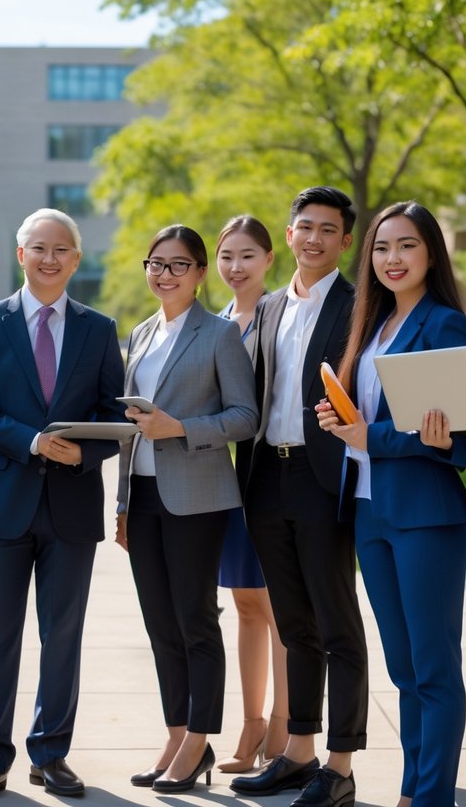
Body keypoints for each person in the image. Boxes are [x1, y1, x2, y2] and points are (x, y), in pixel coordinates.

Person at [0, 208, 125, 803]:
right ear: (20, 254)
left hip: (72, 504)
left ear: (76, 260)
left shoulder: (100, 329)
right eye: (38, 248)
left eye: (61, 250)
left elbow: (113, 416)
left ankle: (51, 753)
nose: (49, 259)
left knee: (63, 635)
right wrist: (30, 441)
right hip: (3, 501)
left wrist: (83, 455)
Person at [317, 201, 466, 807]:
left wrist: (373, 437)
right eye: (382, 248)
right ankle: (414, 791)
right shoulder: (373, 323)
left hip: (426, 515)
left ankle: (432, 796)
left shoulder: (443, 325)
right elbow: (372, 419)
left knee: (434, 669)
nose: (392, 258)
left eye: (406, 246)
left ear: (431, 253)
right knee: (404, 670)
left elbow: (465, 439)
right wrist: (342, 420)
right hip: (369, 510)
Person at [231, 186, 369, 807]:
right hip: (266, 478)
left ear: (345, 242)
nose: (313, 238)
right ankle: (298, 753)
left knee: (336, 623)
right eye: (304, 226)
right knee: (293, 625)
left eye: (327, 230)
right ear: (288, 235)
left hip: (323, 478)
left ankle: (339, 765)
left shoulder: (361, 305)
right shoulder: (267, 308)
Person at [115, 224, 258, 792]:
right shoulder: (142, 333)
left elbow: (245, 417)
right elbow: (130, 428)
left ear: (200, 274)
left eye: (178, 265)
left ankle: (199, 740)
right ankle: (176, 734)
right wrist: (123, 501)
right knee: (160, 624)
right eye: (156, 263)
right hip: (144, 496)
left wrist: (181, 429)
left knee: (195, 620)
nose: (164, 274)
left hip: (197, 498)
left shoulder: (219, 335)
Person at [211, 215, 290, 773]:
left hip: (272, 476)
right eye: (226, 257)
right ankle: (251, 723)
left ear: (268, 258)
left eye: (246, 256)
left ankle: (286, 726)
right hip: (222, 482)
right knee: (242, 604)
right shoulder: (212, 323)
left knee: (280, 605)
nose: (235, 267)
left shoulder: (282, 316)